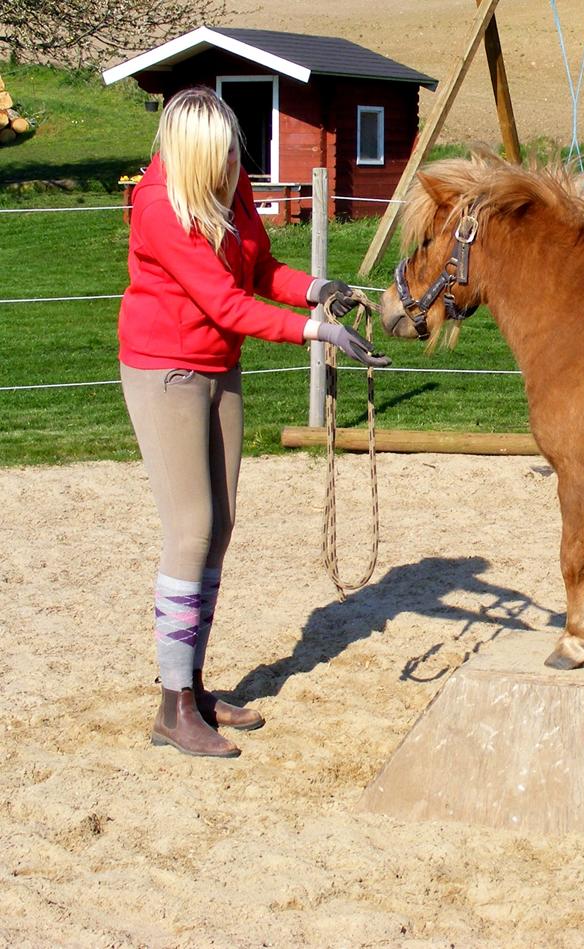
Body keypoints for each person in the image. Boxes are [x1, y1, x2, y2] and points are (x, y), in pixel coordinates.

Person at [118, 86, 388, 758]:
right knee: (192, 527)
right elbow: (225, 303)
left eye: (235, 151)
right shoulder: (158, 206)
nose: (236, 164)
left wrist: (318, 289)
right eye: (223, 155)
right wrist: (316, 333)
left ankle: (193, 686)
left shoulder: (227, 189)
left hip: (218, 367)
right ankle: (172, 705)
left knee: (223, 522)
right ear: (189, 156)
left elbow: (261, 268)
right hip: (166, 369)